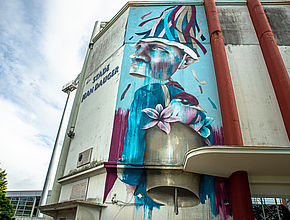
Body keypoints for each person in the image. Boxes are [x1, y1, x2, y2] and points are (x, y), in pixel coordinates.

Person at [119, 6, 213, 165]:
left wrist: (129, 179)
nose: (137, 55)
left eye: (156, 48)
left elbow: (132, 154)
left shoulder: (146, 93)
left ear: (186, 61)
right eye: (139, 47)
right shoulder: (191, 102)